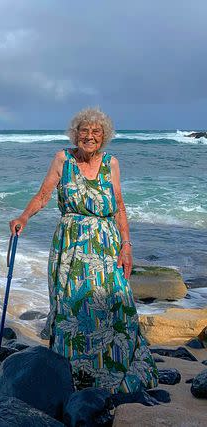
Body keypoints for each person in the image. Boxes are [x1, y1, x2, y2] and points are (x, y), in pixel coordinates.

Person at [9, 107, 159, 393]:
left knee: (115, 304)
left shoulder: (111, 163)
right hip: (70, 247)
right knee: (73, 307)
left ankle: (111, 371)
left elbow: (119, 206)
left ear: (104, 137)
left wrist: (127, 245)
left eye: (96, 132)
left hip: (106, 245)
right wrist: (23, 217)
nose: (89, 137)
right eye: (84, 131)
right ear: (75, 133)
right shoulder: (62, 159)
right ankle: (74, 376)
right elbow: (43, 195)